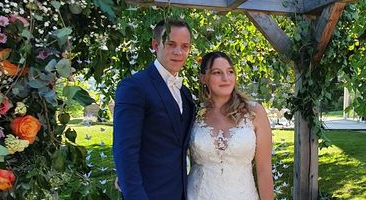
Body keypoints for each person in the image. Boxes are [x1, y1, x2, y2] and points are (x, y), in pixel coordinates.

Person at [113, 19, 196, 200]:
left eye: (185, 46)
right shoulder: (134, 87)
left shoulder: (185, 93)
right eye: (171, 44)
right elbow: (124, 152)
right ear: (155, 45)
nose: (178, 52)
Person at [187, 51, 274, 200]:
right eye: (217, 72)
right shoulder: (193, 113)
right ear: (204, 78)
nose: (225, 78)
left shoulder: (255, 113)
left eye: (230, 72)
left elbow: (264, 170)